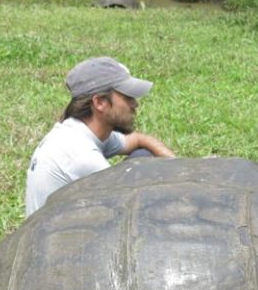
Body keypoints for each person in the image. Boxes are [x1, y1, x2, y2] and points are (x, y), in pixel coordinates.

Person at [25, 57, 175, 217]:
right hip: (53, 239)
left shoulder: (79, 131)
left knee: (143, 156)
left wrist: (178, 164)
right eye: (128, 97)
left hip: (60, 225)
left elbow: (139, 140)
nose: (135, 104)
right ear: (100, 102)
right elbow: (131, 212)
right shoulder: (82, 157)